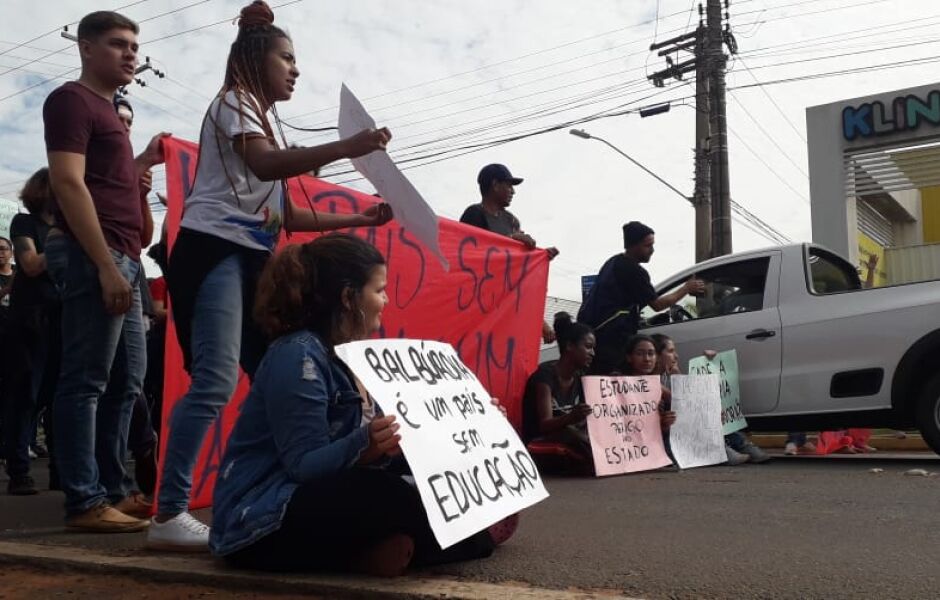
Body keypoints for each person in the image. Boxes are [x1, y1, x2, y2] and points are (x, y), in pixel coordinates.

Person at [151, 1, 396, 551]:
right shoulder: (234, 103)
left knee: (281, 374)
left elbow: (285, 213)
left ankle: (287, 479)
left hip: (250, 256)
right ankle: (168, 512)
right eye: (287, 57)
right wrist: (348, 147)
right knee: (215, 380)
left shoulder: (258, 122)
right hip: (215, 251)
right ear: (256, 59)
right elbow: (266, 166)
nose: (296, 69)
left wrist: (362, 216)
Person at [209, 234, 504, 575]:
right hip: (267, 513)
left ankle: (388, 549)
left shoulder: (360, 360)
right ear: (349, 297)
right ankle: (429, 543)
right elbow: (303, 466)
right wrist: (367, 443)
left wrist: (473, 425)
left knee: (422, 483)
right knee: (387, 495)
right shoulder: (297, 355)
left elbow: (399, 448)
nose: (386, 300)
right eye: (379, 290)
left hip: (332, 494)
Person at [43, 10, 166, 532]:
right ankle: (84, 500)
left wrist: (142, 161)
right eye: (118, 44)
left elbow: (111, 181)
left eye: (135, 46)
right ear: (85, 47)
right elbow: (69, 183)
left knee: (128, 382)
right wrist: (104, 266)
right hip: (100, 257)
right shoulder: (71, 100)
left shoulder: (112, 112)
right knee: (86, 380)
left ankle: (114, 491)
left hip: (127, 258)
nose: (130, 54)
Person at [2, 170, 62, 495]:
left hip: (62, 320)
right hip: (30, 320)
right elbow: (30, 264)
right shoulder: (25, 224)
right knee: (25, 395)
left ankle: (60, 470)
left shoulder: (69, 227)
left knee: (58, 399)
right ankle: (19, 471)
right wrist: (63, 238)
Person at [578, 221, 705, 375]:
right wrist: (686, 288)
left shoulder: (613, 262)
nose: (652, 250)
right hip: (614, 343)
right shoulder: (633, 271)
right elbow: (657, 304)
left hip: (598, 338)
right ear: (633, 246)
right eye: (648, 245)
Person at [460, 163, 559, 342]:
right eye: (509, 185)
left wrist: (539, 257)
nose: (513, 191)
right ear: (495, 185)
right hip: (478, 303)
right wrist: (511, 240)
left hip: (505, 304)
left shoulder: (511, 220)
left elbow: (517, 269)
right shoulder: (474, 214)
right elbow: (468, 258)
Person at [650, 334, 770, 465]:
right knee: (702, 411)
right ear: (657, 355)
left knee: (711, 410)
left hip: (678, 426)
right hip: (665, 433)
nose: (676, 356)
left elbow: (691, 396)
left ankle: (741, 444)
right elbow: (681, 399)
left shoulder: (668, 374)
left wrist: (709, 363)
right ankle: (720, 451)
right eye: (671, 351)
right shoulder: (649, 380)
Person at [521, 312, 595, 473]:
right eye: (588, 347)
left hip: (566, 438)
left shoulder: (579, 377)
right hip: (537, 443)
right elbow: (545, 424)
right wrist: (571, 417)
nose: (592, 353)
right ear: (569, 346)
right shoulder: (545, 376)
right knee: (576, 441)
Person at [620, 335, 677, 431]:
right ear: (629, 357)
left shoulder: (660, 387)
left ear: (657, 358)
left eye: (651, 354)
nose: (646, 359)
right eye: (639, 354)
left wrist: (665, 422)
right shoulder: (616, 383)